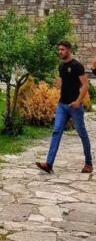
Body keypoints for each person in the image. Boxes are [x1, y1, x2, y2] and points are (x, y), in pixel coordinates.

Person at [36, 40, 92, 174]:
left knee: (82, 133)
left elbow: (85, 85)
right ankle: (49, 164)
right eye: (59, 49)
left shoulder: (77, 66)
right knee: (56, 131)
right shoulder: (61, 66)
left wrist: (78, 101)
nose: (60, 52)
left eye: (62, 49)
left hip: (75, 107)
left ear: (69, 50)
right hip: (62, 105)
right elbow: (62, 83)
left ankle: (88, 163)